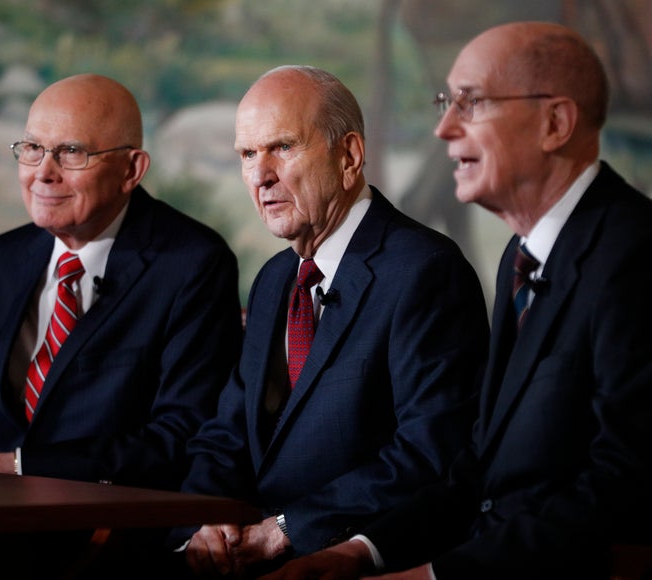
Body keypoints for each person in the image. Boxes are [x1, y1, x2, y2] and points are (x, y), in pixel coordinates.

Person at [263, 21, 652, 580]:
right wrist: (359, 552)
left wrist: (429, 576)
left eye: (470, 103)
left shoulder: (635, 255)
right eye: (446, 102)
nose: (444, 128)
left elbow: (625, 487)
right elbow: (478, 470)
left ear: (555, 123)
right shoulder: (519, 257)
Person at [166, 64, 490, 578]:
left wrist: (288, 529)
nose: (260, 175)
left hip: (354, 564)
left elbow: (430, 453)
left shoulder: (425, 270)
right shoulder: (275, 278)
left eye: (282, 148)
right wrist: (201, 522)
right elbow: (226, 435)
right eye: (248, 155)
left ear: (349, 156)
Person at [0, 73, 243, 490]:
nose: (43, 173)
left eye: (71, 152)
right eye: (32, 149)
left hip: (110, 525)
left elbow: (181, 433)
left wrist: (24, 467)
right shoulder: (1, 260)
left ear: (132, 169)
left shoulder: (192, 263)